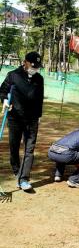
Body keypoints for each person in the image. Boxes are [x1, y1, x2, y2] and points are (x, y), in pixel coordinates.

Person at [0, 51, 44, 191]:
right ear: (25, 62)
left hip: (32, 119)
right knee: (14, 147)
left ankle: (24, 178)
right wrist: (5, 100)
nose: (35, 68)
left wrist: (39, 117)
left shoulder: (39, 79)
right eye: (33, 65)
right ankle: (16, 170)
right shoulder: (13, 75)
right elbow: (2, 90)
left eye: (37, 66)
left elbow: (39, 99)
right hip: (15, 118)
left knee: (29, 149)